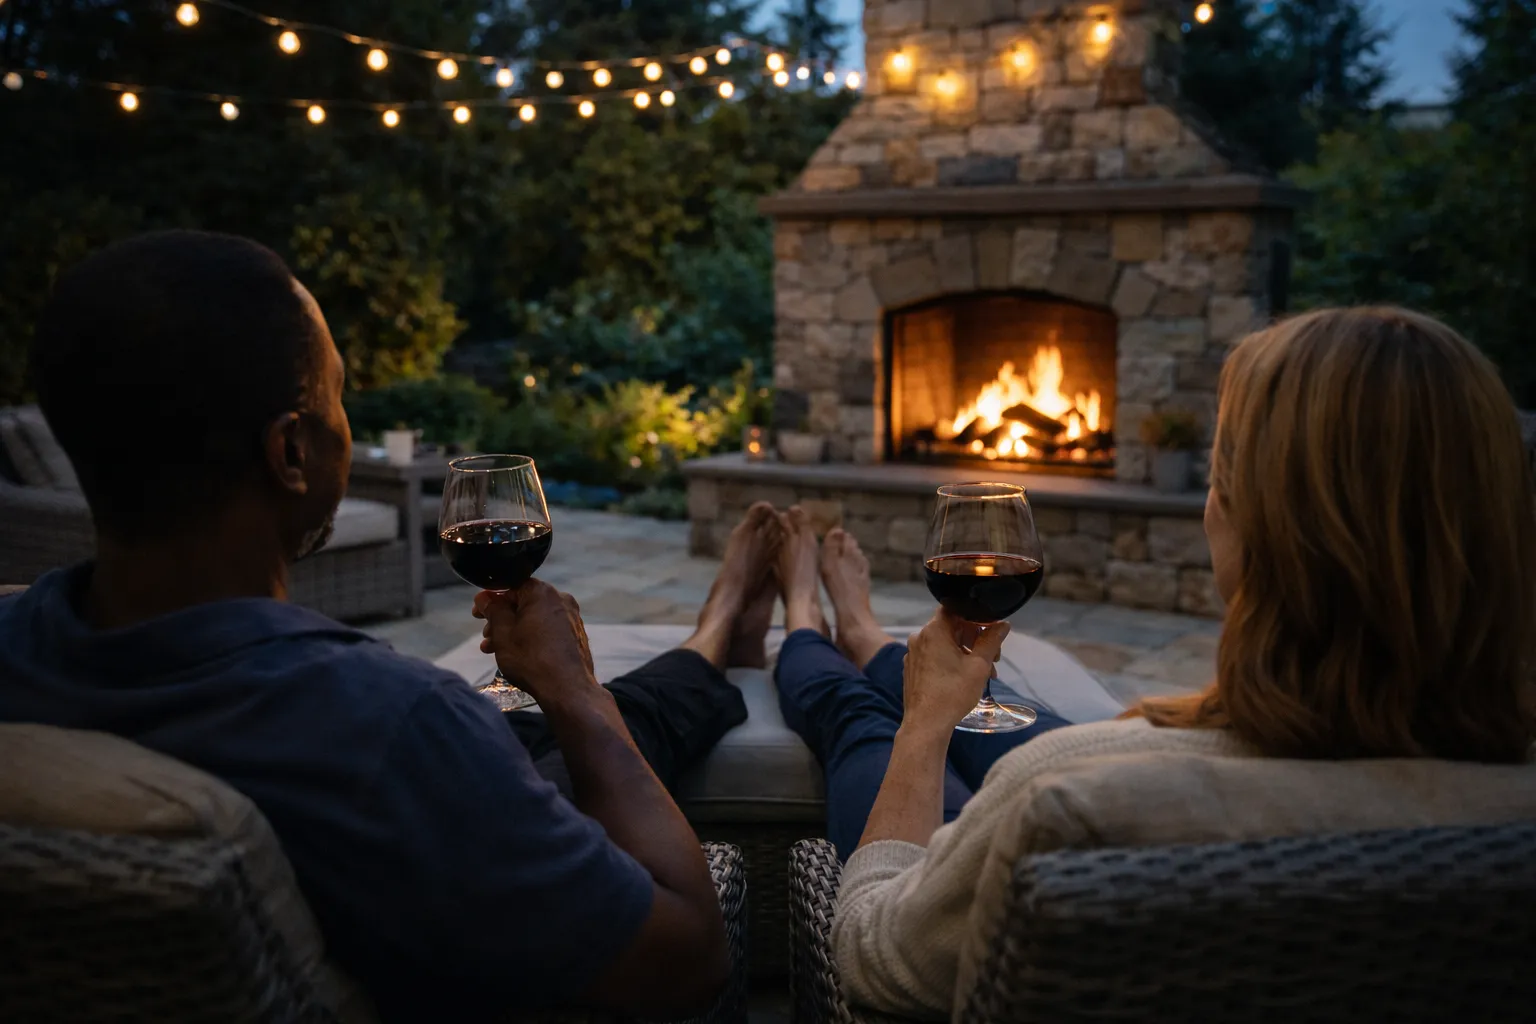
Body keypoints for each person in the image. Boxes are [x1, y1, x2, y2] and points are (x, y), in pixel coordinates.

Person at [0, 230, 783, 1022]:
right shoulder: (391, 727)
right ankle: (711, 642)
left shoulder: (16, 643)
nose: (347, 418)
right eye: (339, 395)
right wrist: (578, 695)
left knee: (578, 721)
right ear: (291, 452)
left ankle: (709, 644)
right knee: (594, 719)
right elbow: (689, 958)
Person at [770, 306, 1536, 1018]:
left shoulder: (1069, 804)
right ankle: (872, 643)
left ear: (1243, 521)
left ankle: (812, 626)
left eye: (1217, 474)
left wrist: (926, 729)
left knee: (866, 719)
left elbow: (870, 959)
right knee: (980, 709)